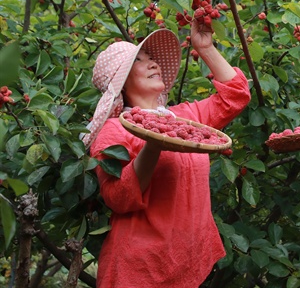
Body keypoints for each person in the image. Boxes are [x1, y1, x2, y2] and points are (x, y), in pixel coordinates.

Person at [82, 20, 251, 288]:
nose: (153, 64)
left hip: (182, 262)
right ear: (122, 79)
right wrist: (154, 142)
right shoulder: (113, 131)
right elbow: (118, 198)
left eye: (153, 59)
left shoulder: (186, 118)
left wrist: (205, 48)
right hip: (138, 267)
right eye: (140, 60)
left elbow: (236, 96)